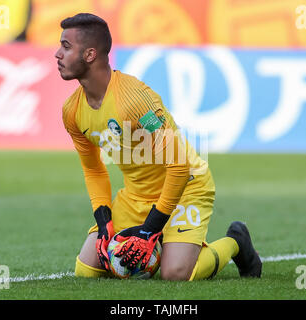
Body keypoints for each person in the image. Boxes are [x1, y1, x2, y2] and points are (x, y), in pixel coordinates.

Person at [55, 13, 262, 281]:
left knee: (175, 274)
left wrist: (149, 229)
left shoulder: (135, 99)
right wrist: (104, 219)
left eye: (66, 46)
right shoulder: (72, 111)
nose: (57, 54)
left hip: (186, 186)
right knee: (87, 270)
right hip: (136, 196)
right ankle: (166, 242)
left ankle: (236, 243)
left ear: (91, 54)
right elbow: (94, 170)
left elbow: (178, 165)